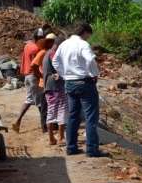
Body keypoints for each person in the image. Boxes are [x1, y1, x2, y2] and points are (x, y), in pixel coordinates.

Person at [52, 23, 104, 157]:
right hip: (84, 82)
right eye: (88, 35)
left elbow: (55, 62)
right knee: (91, 117)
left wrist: (65, 75)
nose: (88, 38)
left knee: (73, 116)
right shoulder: (83, 44)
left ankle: (71, 147)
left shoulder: (64, 44)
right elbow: (91, 60)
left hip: (70, 83)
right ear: (85, 32)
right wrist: (94, 74)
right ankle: (92, 149)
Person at [12, 28, 47, 133]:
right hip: (34, 77)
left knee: (29, 100)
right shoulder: (37, 49)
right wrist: (41, 76)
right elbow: (37, 65)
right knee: (41, 102)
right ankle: (44, 127)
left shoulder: (28, 46)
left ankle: (17, 122)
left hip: (27, 76)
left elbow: (23, 60)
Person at [42, 35, 67, 146]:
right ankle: (61, 137)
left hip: (48, 86)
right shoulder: (53, 54)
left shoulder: (46, 53)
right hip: (56, 86)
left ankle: (51, 138)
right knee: (62, 110)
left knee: (51, 111)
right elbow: (58, 67)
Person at [31, 33, 56, 137]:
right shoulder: (43, 52)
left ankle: (52, 125)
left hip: (48, 83)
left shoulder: (50, 52)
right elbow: (33, 65)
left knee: (50, 105)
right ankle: (44, 127)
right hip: (43, 84)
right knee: (45, 106)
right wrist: (40, 75)